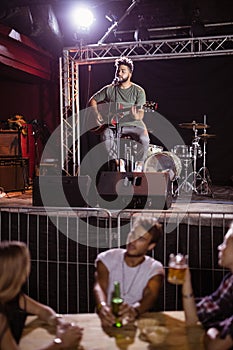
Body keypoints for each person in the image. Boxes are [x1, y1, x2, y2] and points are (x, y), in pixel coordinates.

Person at [0, 241, 83, 350]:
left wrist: (59, 322)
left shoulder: (14, 296)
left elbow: (42, 310)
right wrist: (60, 343)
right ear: (18, 273)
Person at [93, 216, 164, 327]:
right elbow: (100, 286)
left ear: (151, 246)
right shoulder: (107, 258)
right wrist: (102, 307)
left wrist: (135, 310)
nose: (133, 241)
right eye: (132, 234)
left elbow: (150, 296)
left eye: (141, 239)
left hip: (138, 322)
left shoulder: (155, 268)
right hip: (106, 317)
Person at [88, 56, 150, 171]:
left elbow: (141, 113)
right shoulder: (110, 89)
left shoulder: (138, 91)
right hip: (114, 124)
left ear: (130, 73)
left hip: (133, 124)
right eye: (118, 71)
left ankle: (139, 165)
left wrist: (136, 115)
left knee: (145, 139)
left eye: (123, 71)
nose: (119, 73)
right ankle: (118, 162)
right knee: (105, 136)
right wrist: (97, 114)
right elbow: (93, 100)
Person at [182, 222, 233, 350]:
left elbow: (215, 346)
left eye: (225, 243)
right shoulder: (230, 282)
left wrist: (211, 330)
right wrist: (186, 281)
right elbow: (193, 318)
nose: (219, 247)